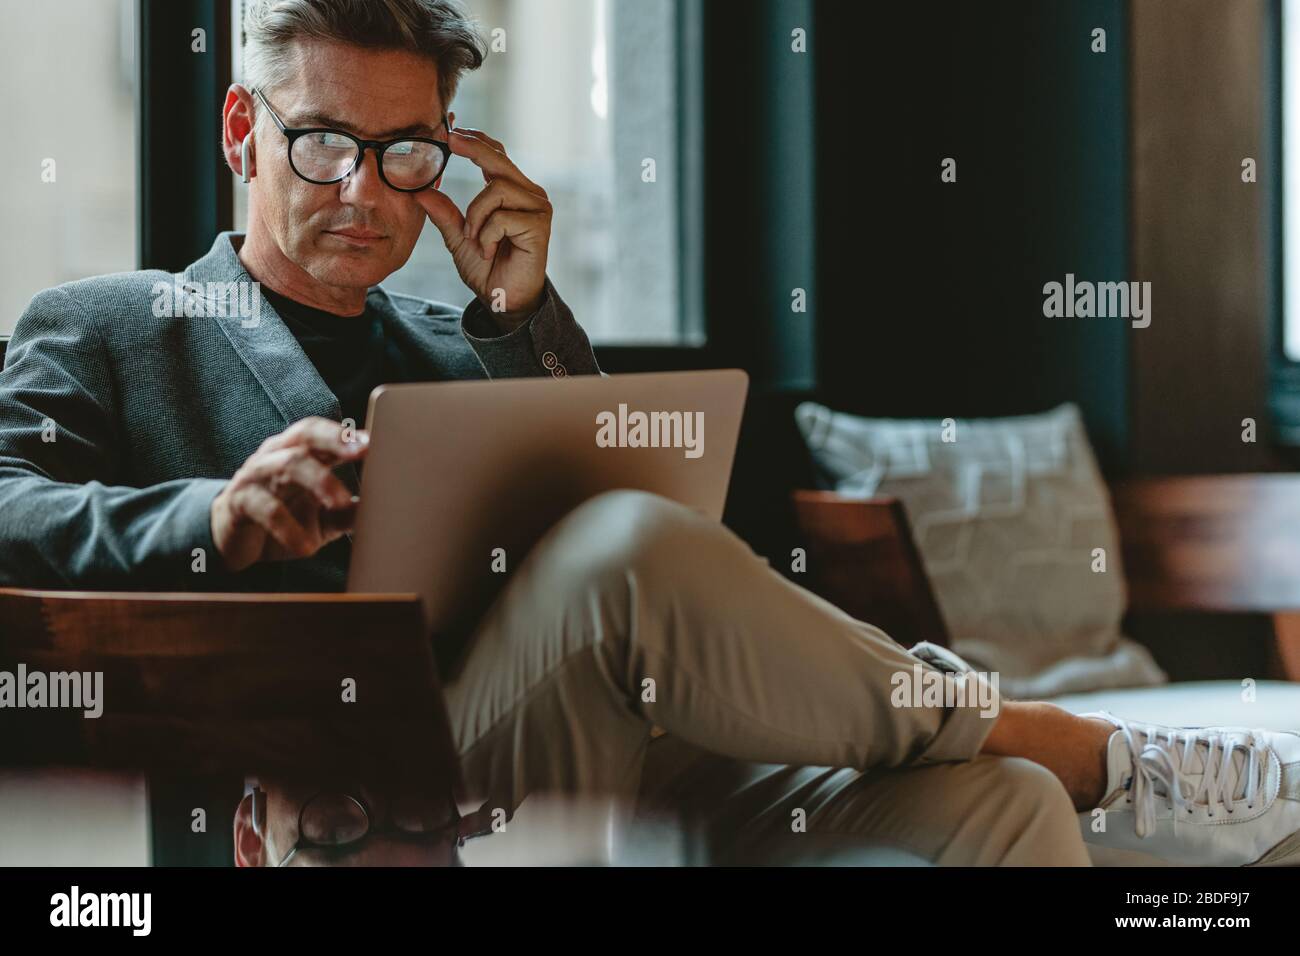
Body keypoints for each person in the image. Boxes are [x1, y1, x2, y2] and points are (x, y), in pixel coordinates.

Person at [2, 0, 1296, 868]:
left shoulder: (460, 351)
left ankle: (1015, 748)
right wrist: (211, 521)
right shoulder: (109, 325)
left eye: (407, 156)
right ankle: (1051, 725)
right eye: (327, 144)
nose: (365, 190)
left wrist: (522, 310)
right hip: (375, 790)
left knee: (997, 811)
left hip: (609, 754)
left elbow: (649, 525)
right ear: (243, 134)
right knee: (625, 553)